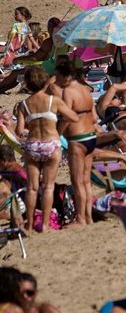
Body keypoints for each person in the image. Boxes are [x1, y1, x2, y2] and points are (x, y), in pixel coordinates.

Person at [15, 67, 78, 233]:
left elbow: (19, 131)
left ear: (27, 84)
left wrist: (32, 125)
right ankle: (44, 224)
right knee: (48, 186)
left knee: (32, 187)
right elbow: (72, 117)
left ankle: (29, 224)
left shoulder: (24, 104)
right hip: (51, 143)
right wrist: (58, 129)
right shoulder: (53, 101)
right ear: (45, 82)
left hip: (33, 145)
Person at [51, 56, 98, 226]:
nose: (56, 80)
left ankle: (80, 218)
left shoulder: (68, 92)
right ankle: (88, 217)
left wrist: (57, 134)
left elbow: (66, 117)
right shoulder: (85, 89)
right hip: (91, 136)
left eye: (57, 76)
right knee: (86, 180)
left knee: (77, 181)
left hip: (77, 139)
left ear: (66, 76)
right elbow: (94, 117)